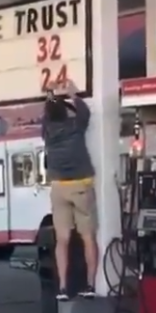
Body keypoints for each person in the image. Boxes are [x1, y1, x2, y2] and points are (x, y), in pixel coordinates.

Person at [40, 79, 99, 301]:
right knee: (87, 236)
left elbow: (47, 112)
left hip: (58, 188)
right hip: (81, 184)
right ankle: (91, 285)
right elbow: (84, 111)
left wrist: (51, 93)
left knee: (62, 239)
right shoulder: (75, 126)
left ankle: (63, 288)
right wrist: (72, 92)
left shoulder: (47, 132)